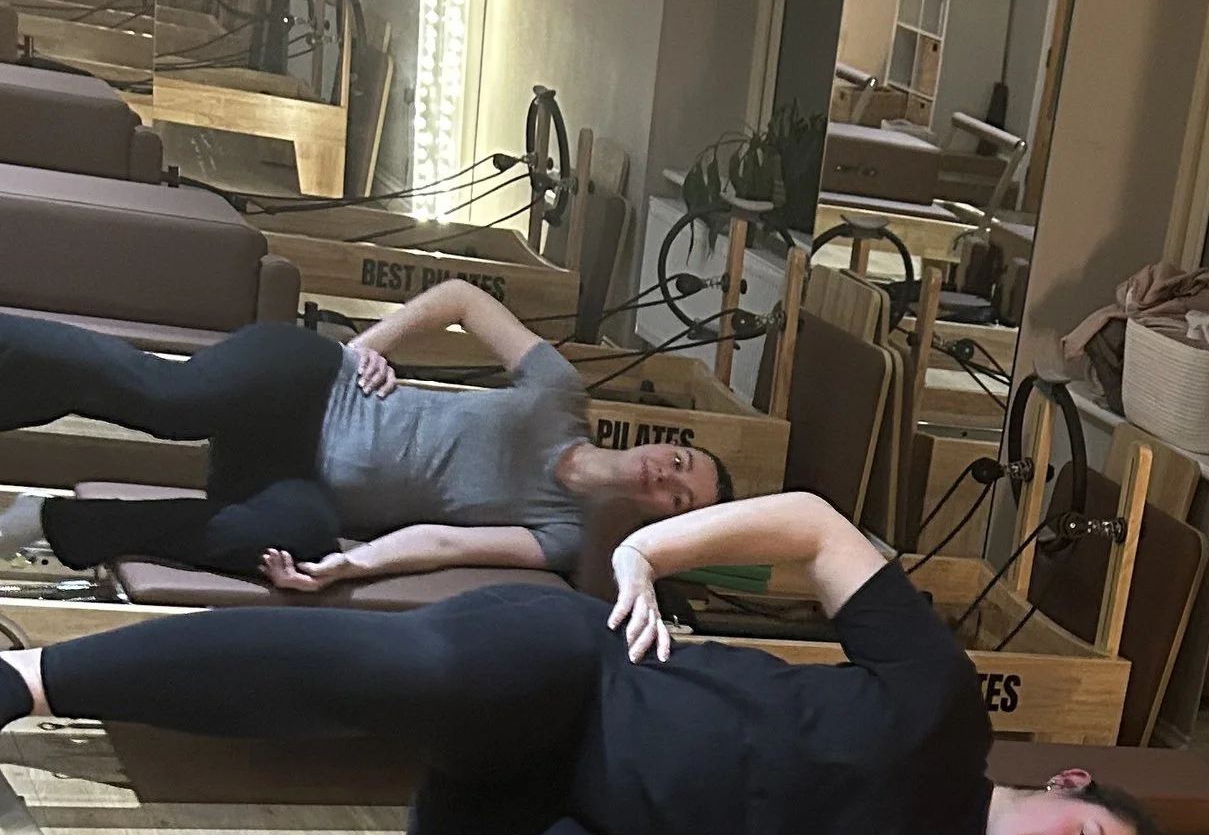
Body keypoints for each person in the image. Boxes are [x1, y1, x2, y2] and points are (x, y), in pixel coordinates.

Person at [0, 492, 1163, 835]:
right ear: (1067, 790)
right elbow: (815, 527)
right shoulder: (941, 708)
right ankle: (34, 685)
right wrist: (647, 555)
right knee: (423, 677)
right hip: (569, 681)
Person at [0, 280, 724, 589]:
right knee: (170, 402)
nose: (667, 475)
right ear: (667, 443)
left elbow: (443, 542)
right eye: (681, 461)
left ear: (664, 525)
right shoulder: (560, 392)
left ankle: (45, 519)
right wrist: (364, 347)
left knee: (301, 542)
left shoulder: (564, 535)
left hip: (300, 482)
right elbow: (461, 300)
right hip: (310, 382)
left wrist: (355, 567)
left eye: (679, 499)